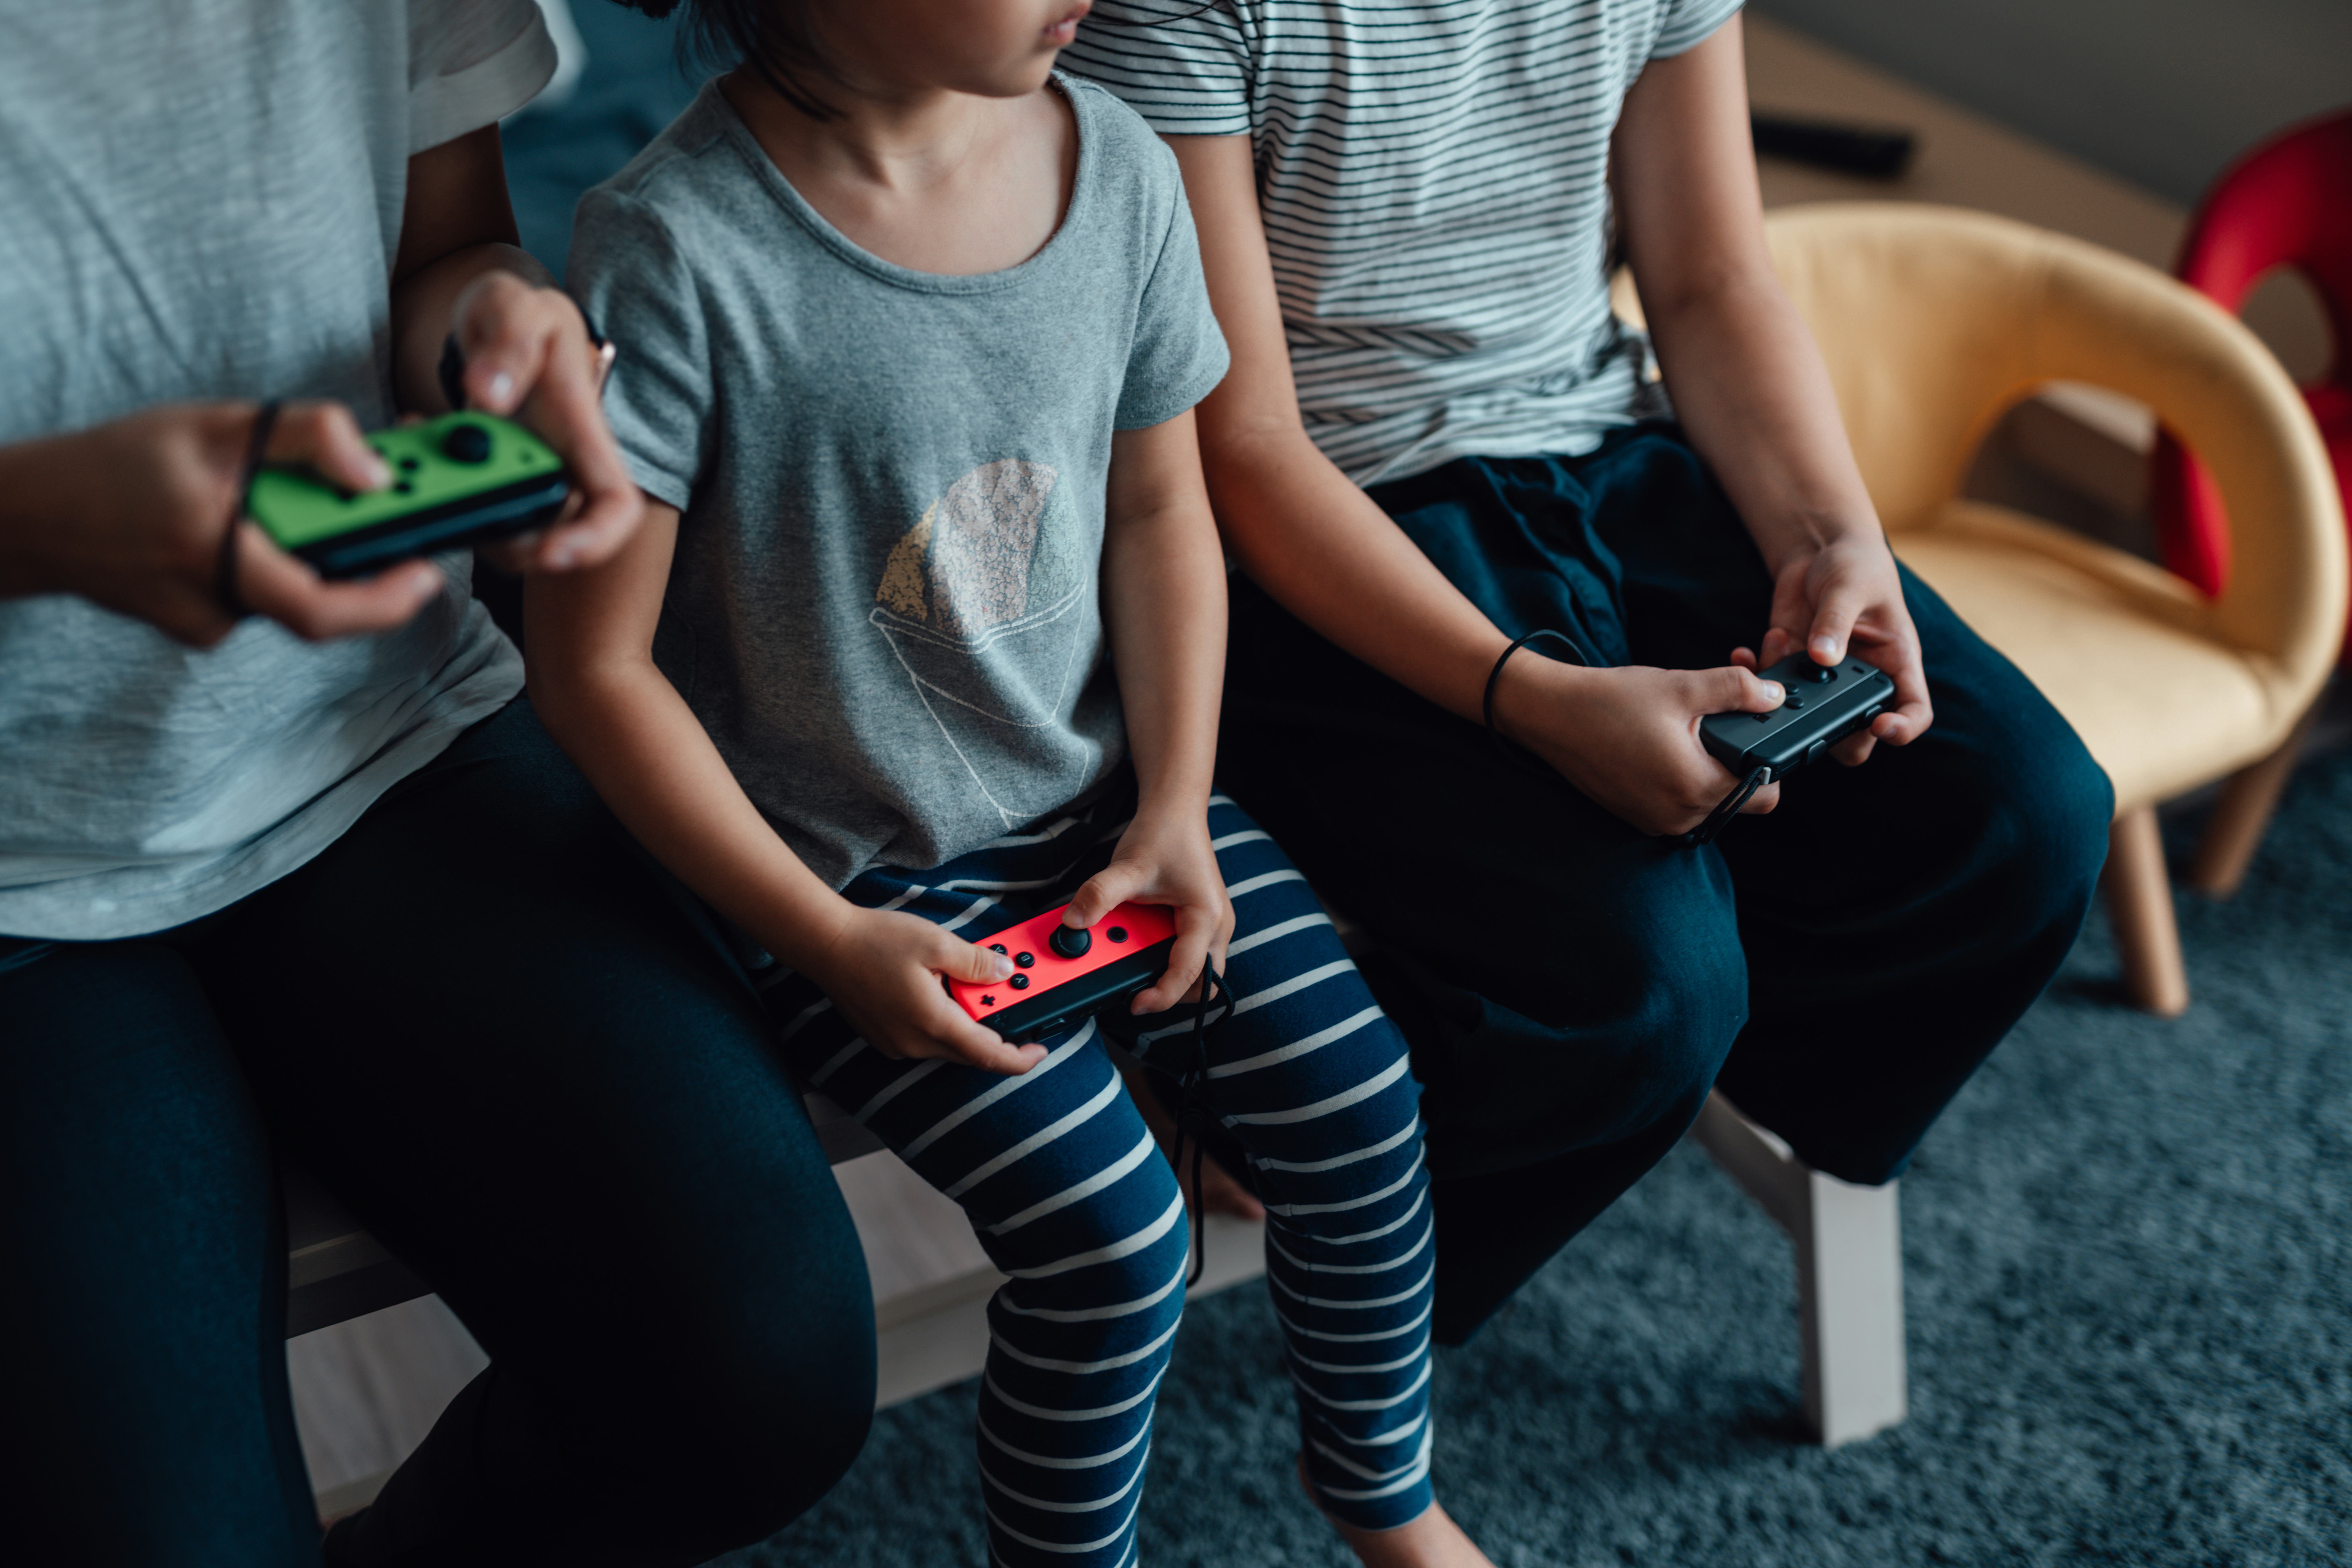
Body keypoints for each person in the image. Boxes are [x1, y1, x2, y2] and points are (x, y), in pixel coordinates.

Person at [543, 2, 1492, 1562]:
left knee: (1360, 1104)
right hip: (845, 879)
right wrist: (825, 940)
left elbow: (1160, 512)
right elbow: (595, 670)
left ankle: (1386, 1497)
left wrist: (1177, 802)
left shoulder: (1118, 161)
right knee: (1120, 1248)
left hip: (1115, 811)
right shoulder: (669, 245)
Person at [1061, 3, 2113, 1344]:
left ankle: (1642, 1090)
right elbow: (1244, 446)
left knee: (2021, 817)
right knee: (1645, 991)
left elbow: (1711, 282)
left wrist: (1834, 538)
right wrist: (1534, 701)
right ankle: (1311, 1176)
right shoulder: (1182, 13)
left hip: (1609, 445)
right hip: (1325, 531)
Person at [0, 5, 873, 1565]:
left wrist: (496, 328)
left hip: (371, 732)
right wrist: (49, 522)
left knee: (762, 1376)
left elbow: (446, 239)